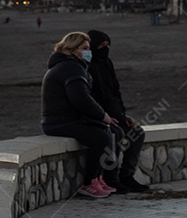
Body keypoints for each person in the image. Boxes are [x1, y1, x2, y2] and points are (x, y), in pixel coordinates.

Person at [41, 32, 119, 199]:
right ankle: (89, 183)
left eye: (88, 49)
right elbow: (80, 98)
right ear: (71, 49)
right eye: (84, 48)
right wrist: (103, 115)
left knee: (107, 132)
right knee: (100, 137)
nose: (88, 52)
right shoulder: (71, 68)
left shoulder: (72, 66)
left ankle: (98, 178)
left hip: (66, 120)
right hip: (59, 122)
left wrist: (102, 118)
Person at [87, 29, 149, 193]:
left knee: (137, 133)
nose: (105, 49)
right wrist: (104, 116)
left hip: (115, 114)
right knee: (115, 135)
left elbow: (115, 92)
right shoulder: (88, 67)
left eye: (108, 45)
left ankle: (127, 176)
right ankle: (110, 178)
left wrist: (123, 115)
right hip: (100, 117)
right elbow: (89, 97)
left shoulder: (107, 63)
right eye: (101, 45)